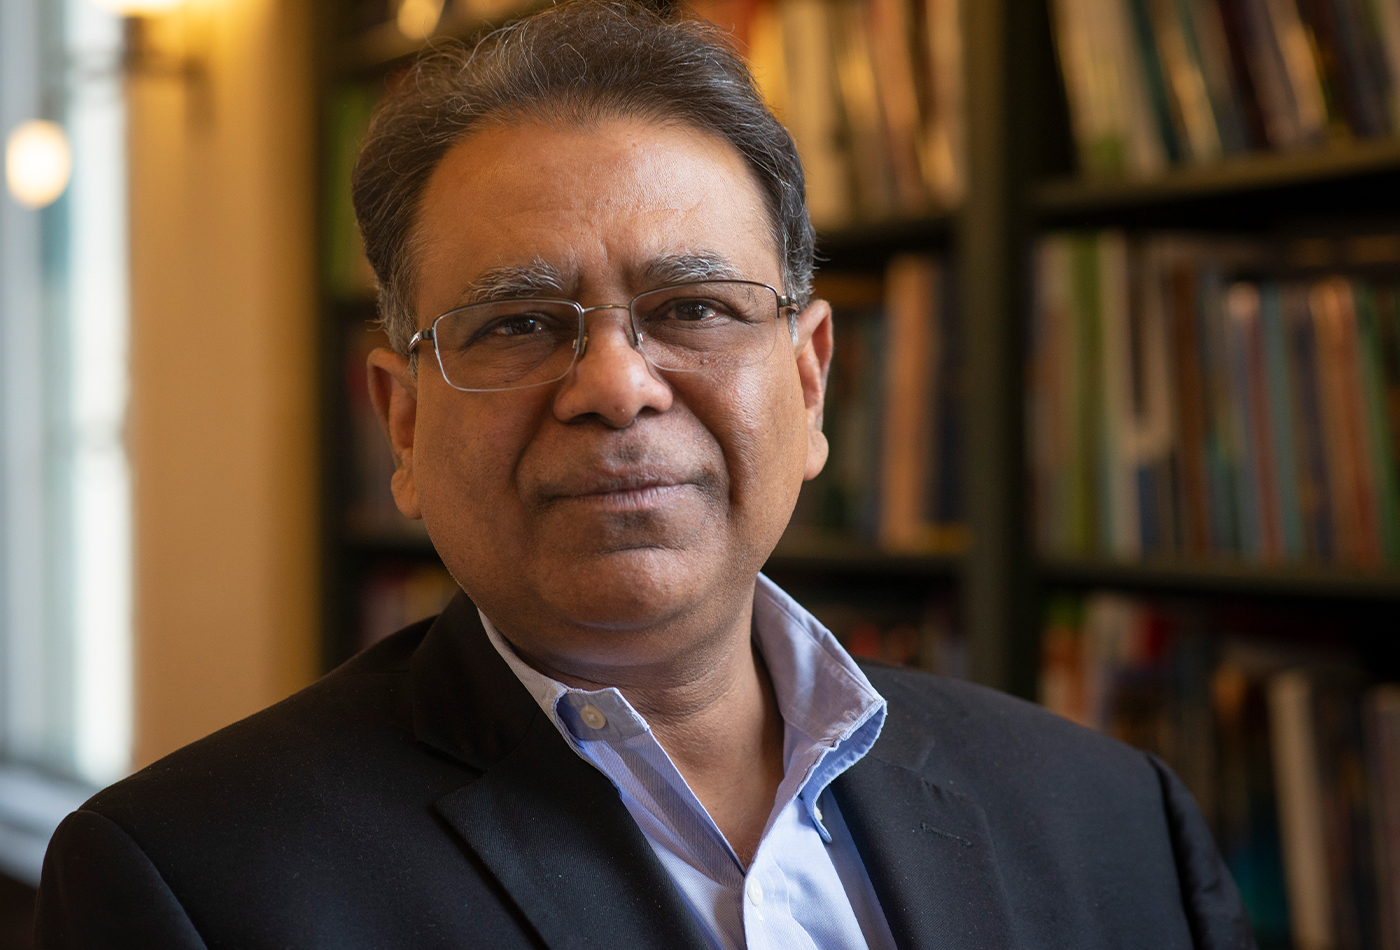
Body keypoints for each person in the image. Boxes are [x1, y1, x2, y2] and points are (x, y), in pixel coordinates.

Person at [36, 2, 1255, 947]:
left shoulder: (1108, 816)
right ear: (402, 422)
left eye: (693, 306)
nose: (615, 385)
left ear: (810, 380)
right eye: (516, 322)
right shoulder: (195, 882)